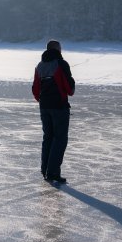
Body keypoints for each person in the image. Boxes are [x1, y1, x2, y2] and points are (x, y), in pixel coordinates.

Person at [32, 39, 75, 184]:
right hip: (59, 107)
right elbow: (69, 89)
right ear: (57, 49)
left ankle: (45, 170)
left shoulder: (40, 66)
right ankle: (52, 172)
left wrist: (43, 101)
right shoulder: (61, 64)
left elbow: (36, 90)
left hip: (44, 106)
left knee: (48, 137)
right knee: (60, 139)